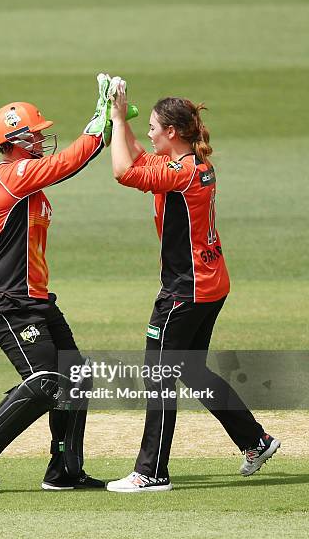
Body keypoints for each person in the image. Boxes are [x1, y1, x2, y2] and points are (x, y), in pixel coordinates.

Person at [106, 83, 281, 492]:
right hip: (211, 283)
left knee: (160, 374)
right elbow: (140, 156)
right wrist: (113, 127)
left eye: (152, 127)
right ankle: (255, 440)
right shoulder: (192, 165)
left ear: (172, 132)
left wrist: (115, 121)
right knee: (190, 370)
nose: (147, 132)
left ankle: (151, 472)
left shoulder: (180, 173)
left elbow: (122, 171)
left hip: (185, 291)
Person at [0, 88, 112, 491]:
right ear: (14, 141)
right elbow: (65, 164)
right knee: (46, 379)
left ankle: (65, 470)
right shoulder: (12, 176)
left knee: (76, 375)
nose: (42, 140)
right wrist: (96, 132)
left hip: (33, 298)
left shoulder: (23, 182)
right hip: (2, 301)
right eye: (35, 134)